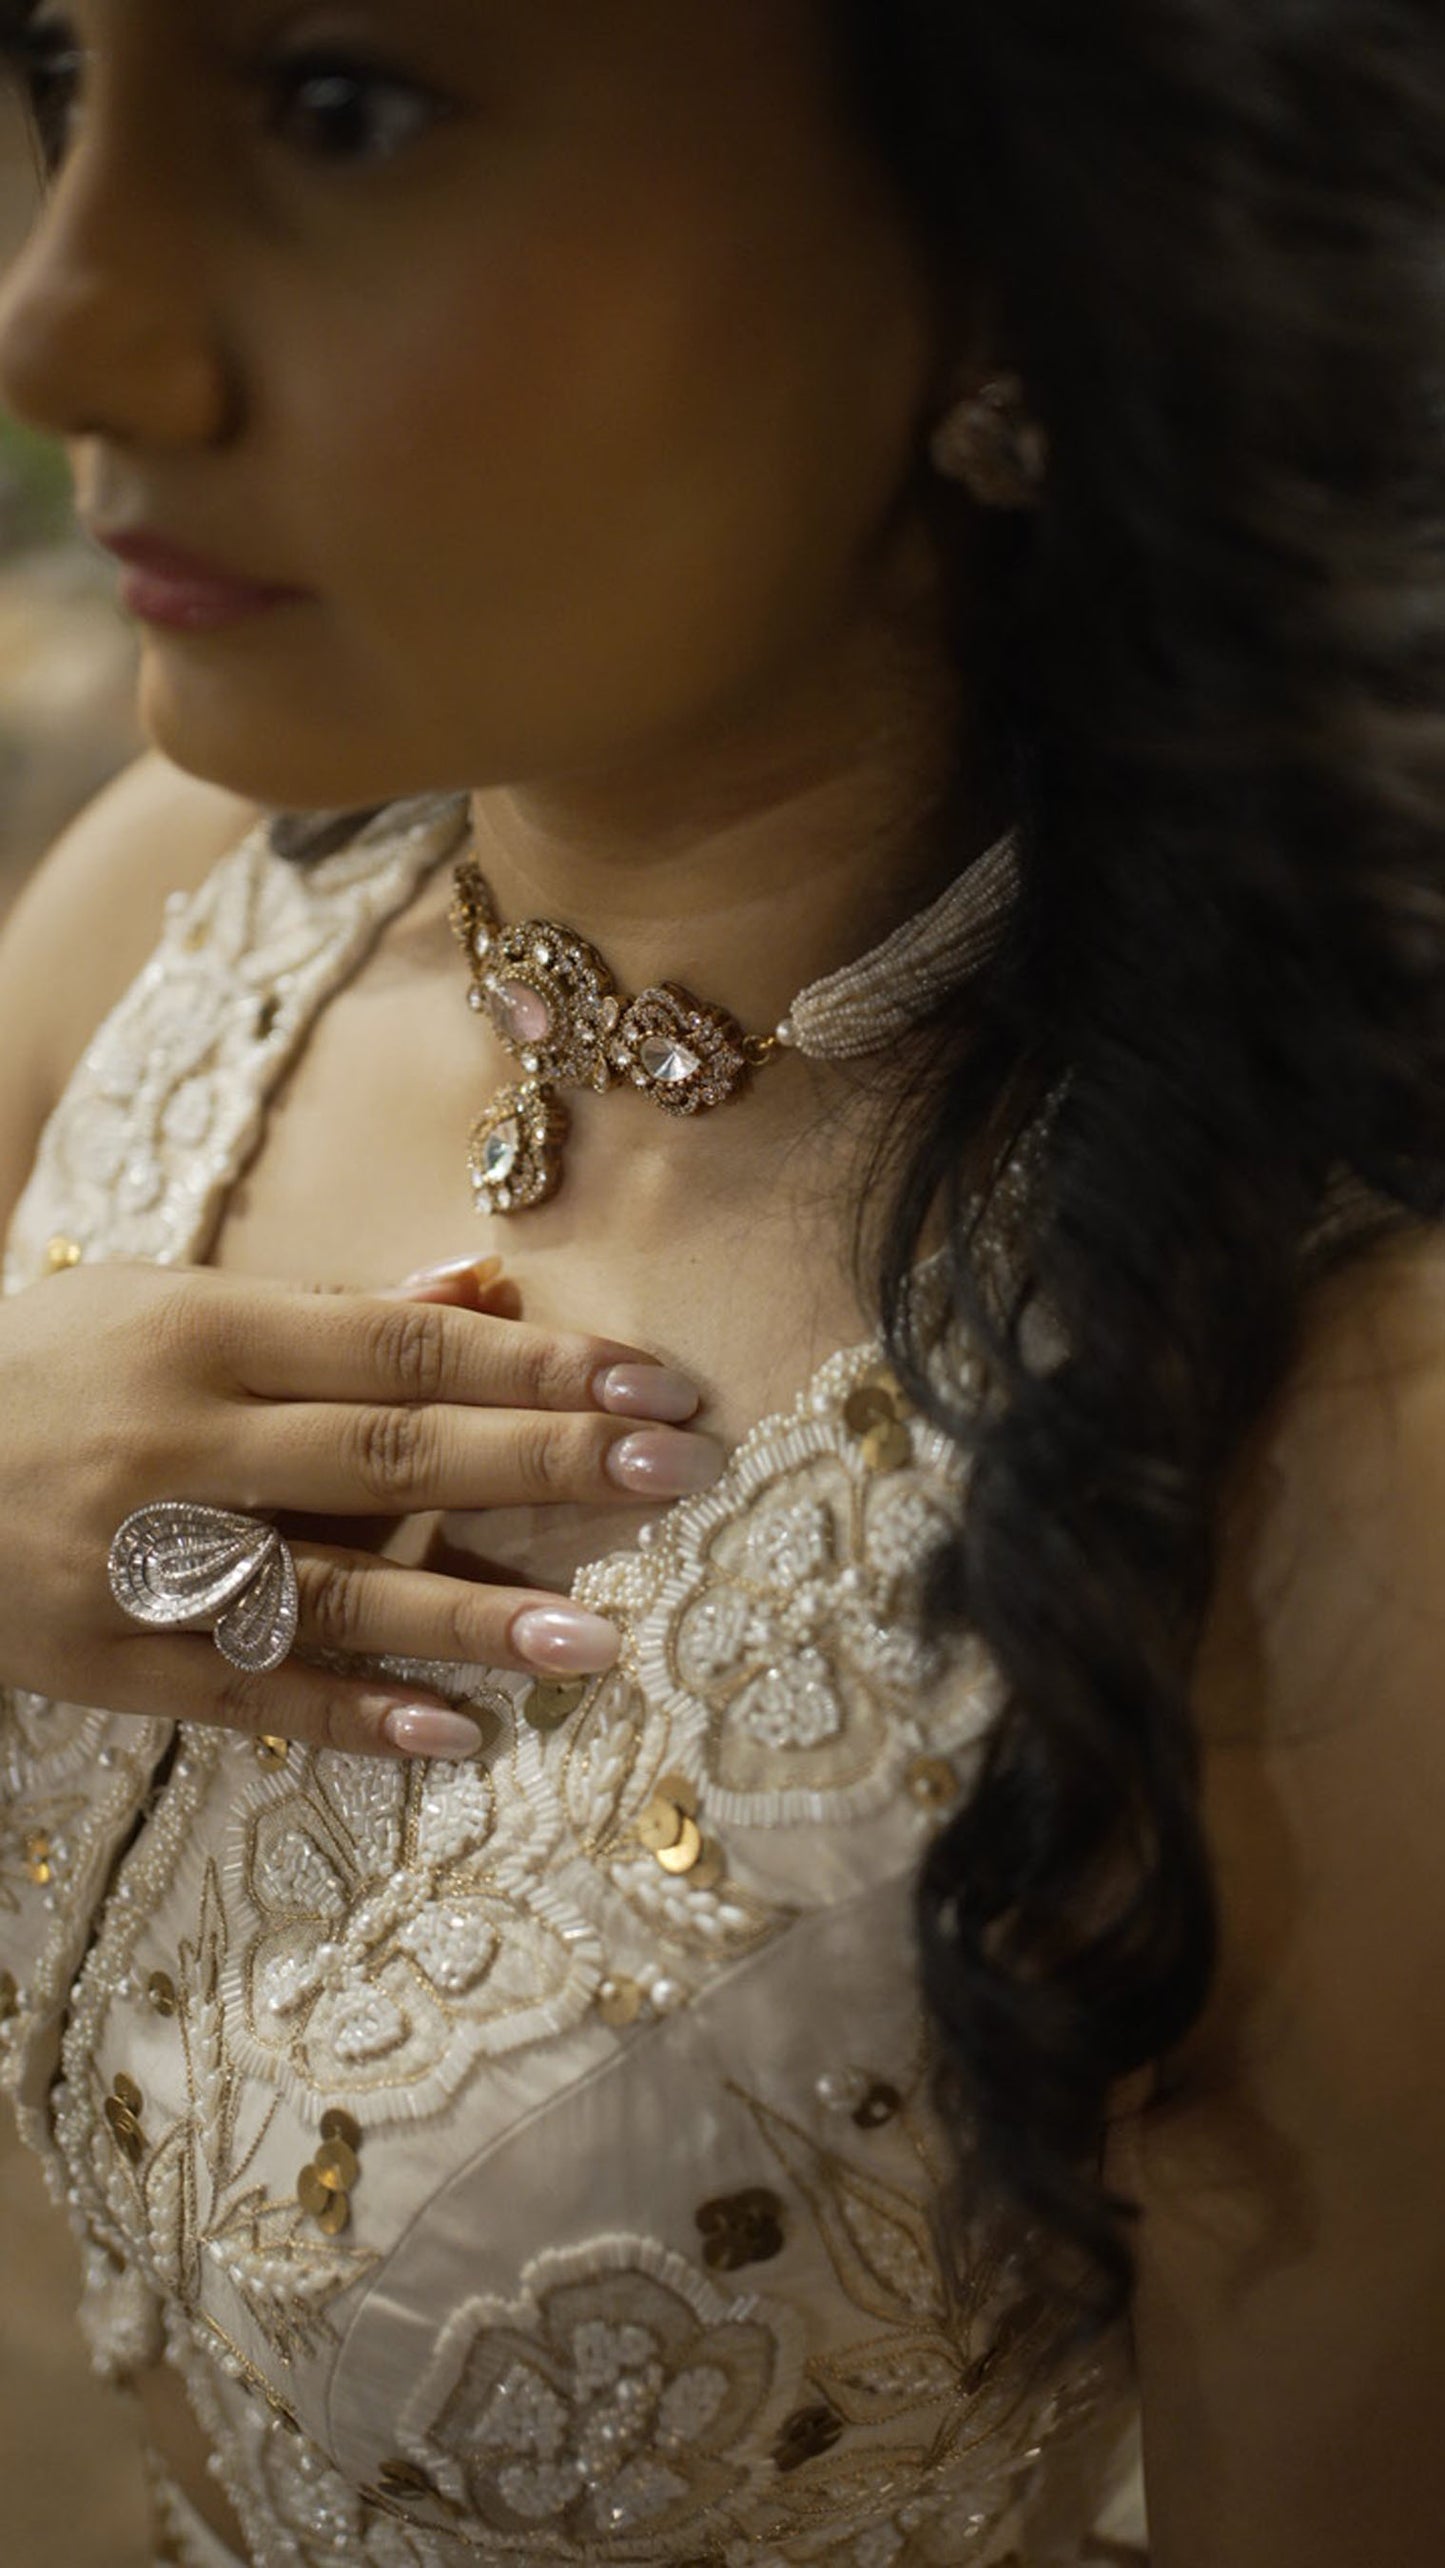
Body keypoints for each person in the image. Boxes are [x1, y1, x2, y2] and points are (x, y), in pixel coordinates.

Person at [0, 2, 1441, 2562]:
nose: (63, 317)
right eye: (53, 72)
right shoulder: (176, 920)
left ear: (1008, 251)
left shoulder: (1326, 1453)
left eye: (335, 109)